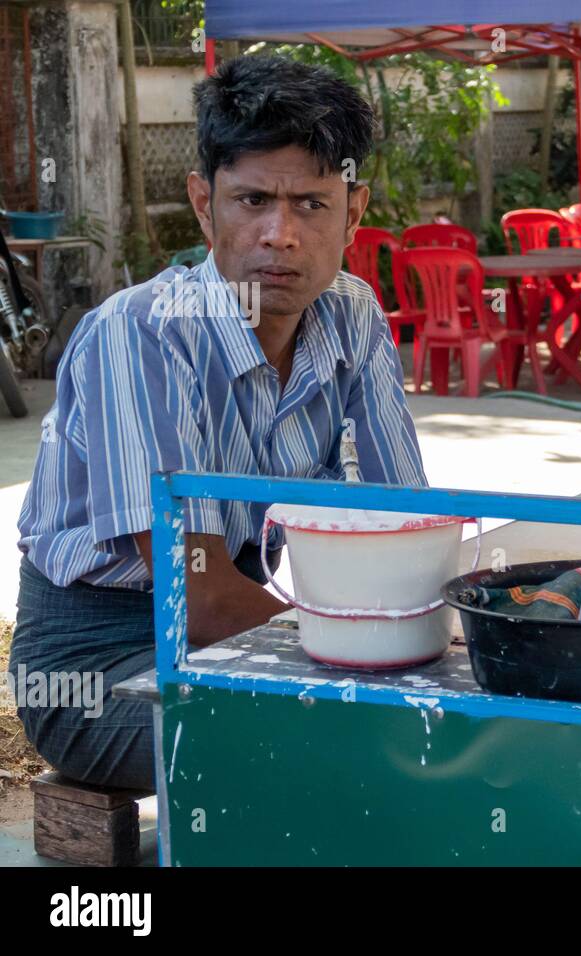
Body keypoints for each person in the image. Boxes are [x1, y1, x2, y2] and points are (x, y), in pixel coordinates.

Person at [8, 55, 427, 790]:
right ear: (204, 204)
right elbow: (196, 590)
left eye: (311, 206)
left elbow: (405, 519)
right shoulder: (139, 334)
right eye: (253, 200)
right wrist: (361, 659)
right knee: (340, 748)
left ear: (354, 212)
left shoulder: (353, 314)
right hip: (101, 665)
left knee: (442, 724)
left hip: (242, 629)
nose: (280, 235)